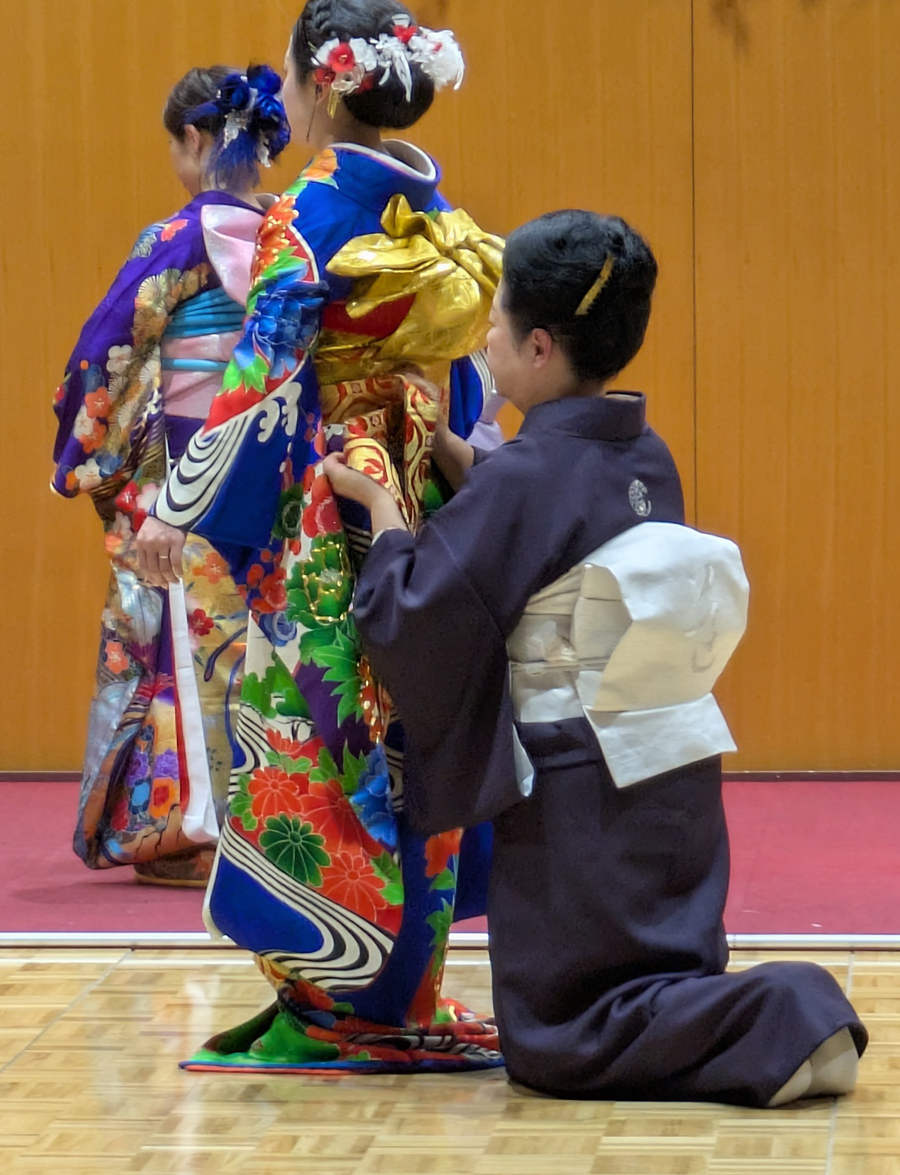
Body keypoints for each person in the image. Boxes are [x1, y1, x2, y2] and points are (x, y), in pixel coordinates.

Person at [327, 208, 868, 1106]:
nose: (483, 337)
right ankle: (767, 1030)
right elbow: (540, 524)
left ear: (538, 346)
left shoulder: (528, 476)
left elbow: (418, 611)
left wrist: (385, 515)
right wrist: (471, 469)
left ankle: (787, 1014)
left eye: (494, 320)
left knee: (558, 1039)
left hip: (578, 787)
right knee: (653, 966)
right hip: (666, 777)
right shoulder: (636, 449)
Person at [136, 0, 504, 1072]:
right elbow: (464, 362)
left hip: (332, 493)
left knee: (318, 734)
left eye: (292, 78)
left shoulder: (313, 209)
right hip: (416, 477)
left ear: (322, 83)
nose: (284, 96)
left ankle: (341, 1001)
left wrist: (178, 501)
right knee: (412, 726)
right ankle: (406, 987)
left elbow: (263, 368)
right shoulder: (428, 200)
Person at [52, 64, 290, 886]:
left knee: (168, 637)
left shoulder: (178, 237)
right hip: (265, 463)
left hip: (181, 463)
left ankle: (182, 829)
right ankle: (262, 817)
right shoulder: (290, 233)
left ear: (193, 139)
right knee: (252, 636)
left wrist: (81, 451)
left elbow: (107, 348)